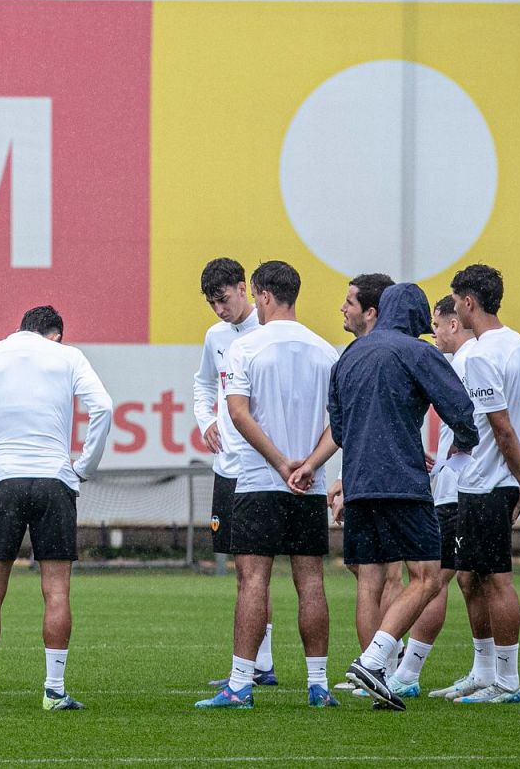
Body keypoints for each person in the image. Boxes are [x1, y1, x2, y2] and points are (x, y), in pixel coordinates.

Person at [0, 305, 113, 712]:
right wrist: (82, 467)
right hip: (54, 480)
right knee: (56, 591)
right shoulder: (67, 356)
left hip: (3, 480)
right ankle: (54, 691)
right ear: (54, 336)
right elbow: (102, 407)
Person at [194, 262, 339, 710]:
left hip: (260, 479)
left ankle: (240, 685)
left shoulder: (247, 347)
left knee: (252, 579)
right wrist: (309, 465)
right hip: (308, 485)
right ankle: (318, 685)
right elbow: (341, 422)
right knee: (311, 581)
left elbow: (238, 412)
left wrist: (279, 464)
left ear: (261, 295)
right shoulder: (326, 351)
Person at [330, 283, 479, 711]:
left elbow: (338, 429)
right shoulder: (417, 351)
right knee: (429, 576)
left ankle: (373, 680)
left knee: (371, 579)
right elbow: (459, 407)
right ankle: (375, 661)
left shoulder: (348, 355)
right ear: (415, 317)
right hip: (401, 480)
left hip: (358, 483)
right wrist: (463, 443)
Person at [387, 296, 491, 699]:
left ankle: (406, 671)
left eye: (437, 322)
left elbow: (489, 422)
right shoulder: (499, 351)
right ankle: (485, 670)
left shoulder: (466, 361)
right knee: (470, 578)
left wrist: (463, 451)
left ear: (453, 323)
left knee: (432, 578)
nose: (432, 331)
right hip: (472, 483)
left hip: (462, 487)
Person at [446, 264, 520, 705]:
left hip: (490, 481)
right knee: (470, 577)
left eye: (456, 301)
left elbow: (502, 427)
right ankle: (485, 672)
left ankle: (507, 682)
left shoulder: (483, 353)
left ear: (468, 303)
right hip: (486, 479)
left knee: (497, 580)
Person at [190, 258, 274, 687]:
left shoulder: (271, 329)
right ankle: (262, 663)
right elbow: (204, 384)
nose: (219, 310)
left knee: (261, 568)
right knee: (244, 570)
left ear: (244, 288)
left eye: (223, 300)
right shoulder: (215, 336)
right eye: (212, 304)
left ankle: (258, 665)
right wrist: (206, 419)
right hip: (228, 467)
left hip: (264, 467)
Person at [326, 273, 403, 677]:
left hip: (377, 478)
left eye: (350, 302)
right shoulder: (370, 355)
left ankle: (379, 667)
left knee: (379, 576)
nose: (342, 307)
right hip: (376, 477)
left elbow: (352, 429)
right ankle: (384, 664)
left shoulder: (363, 357)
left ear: (371, 312)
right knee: (379, 575)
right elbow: (354, 430)